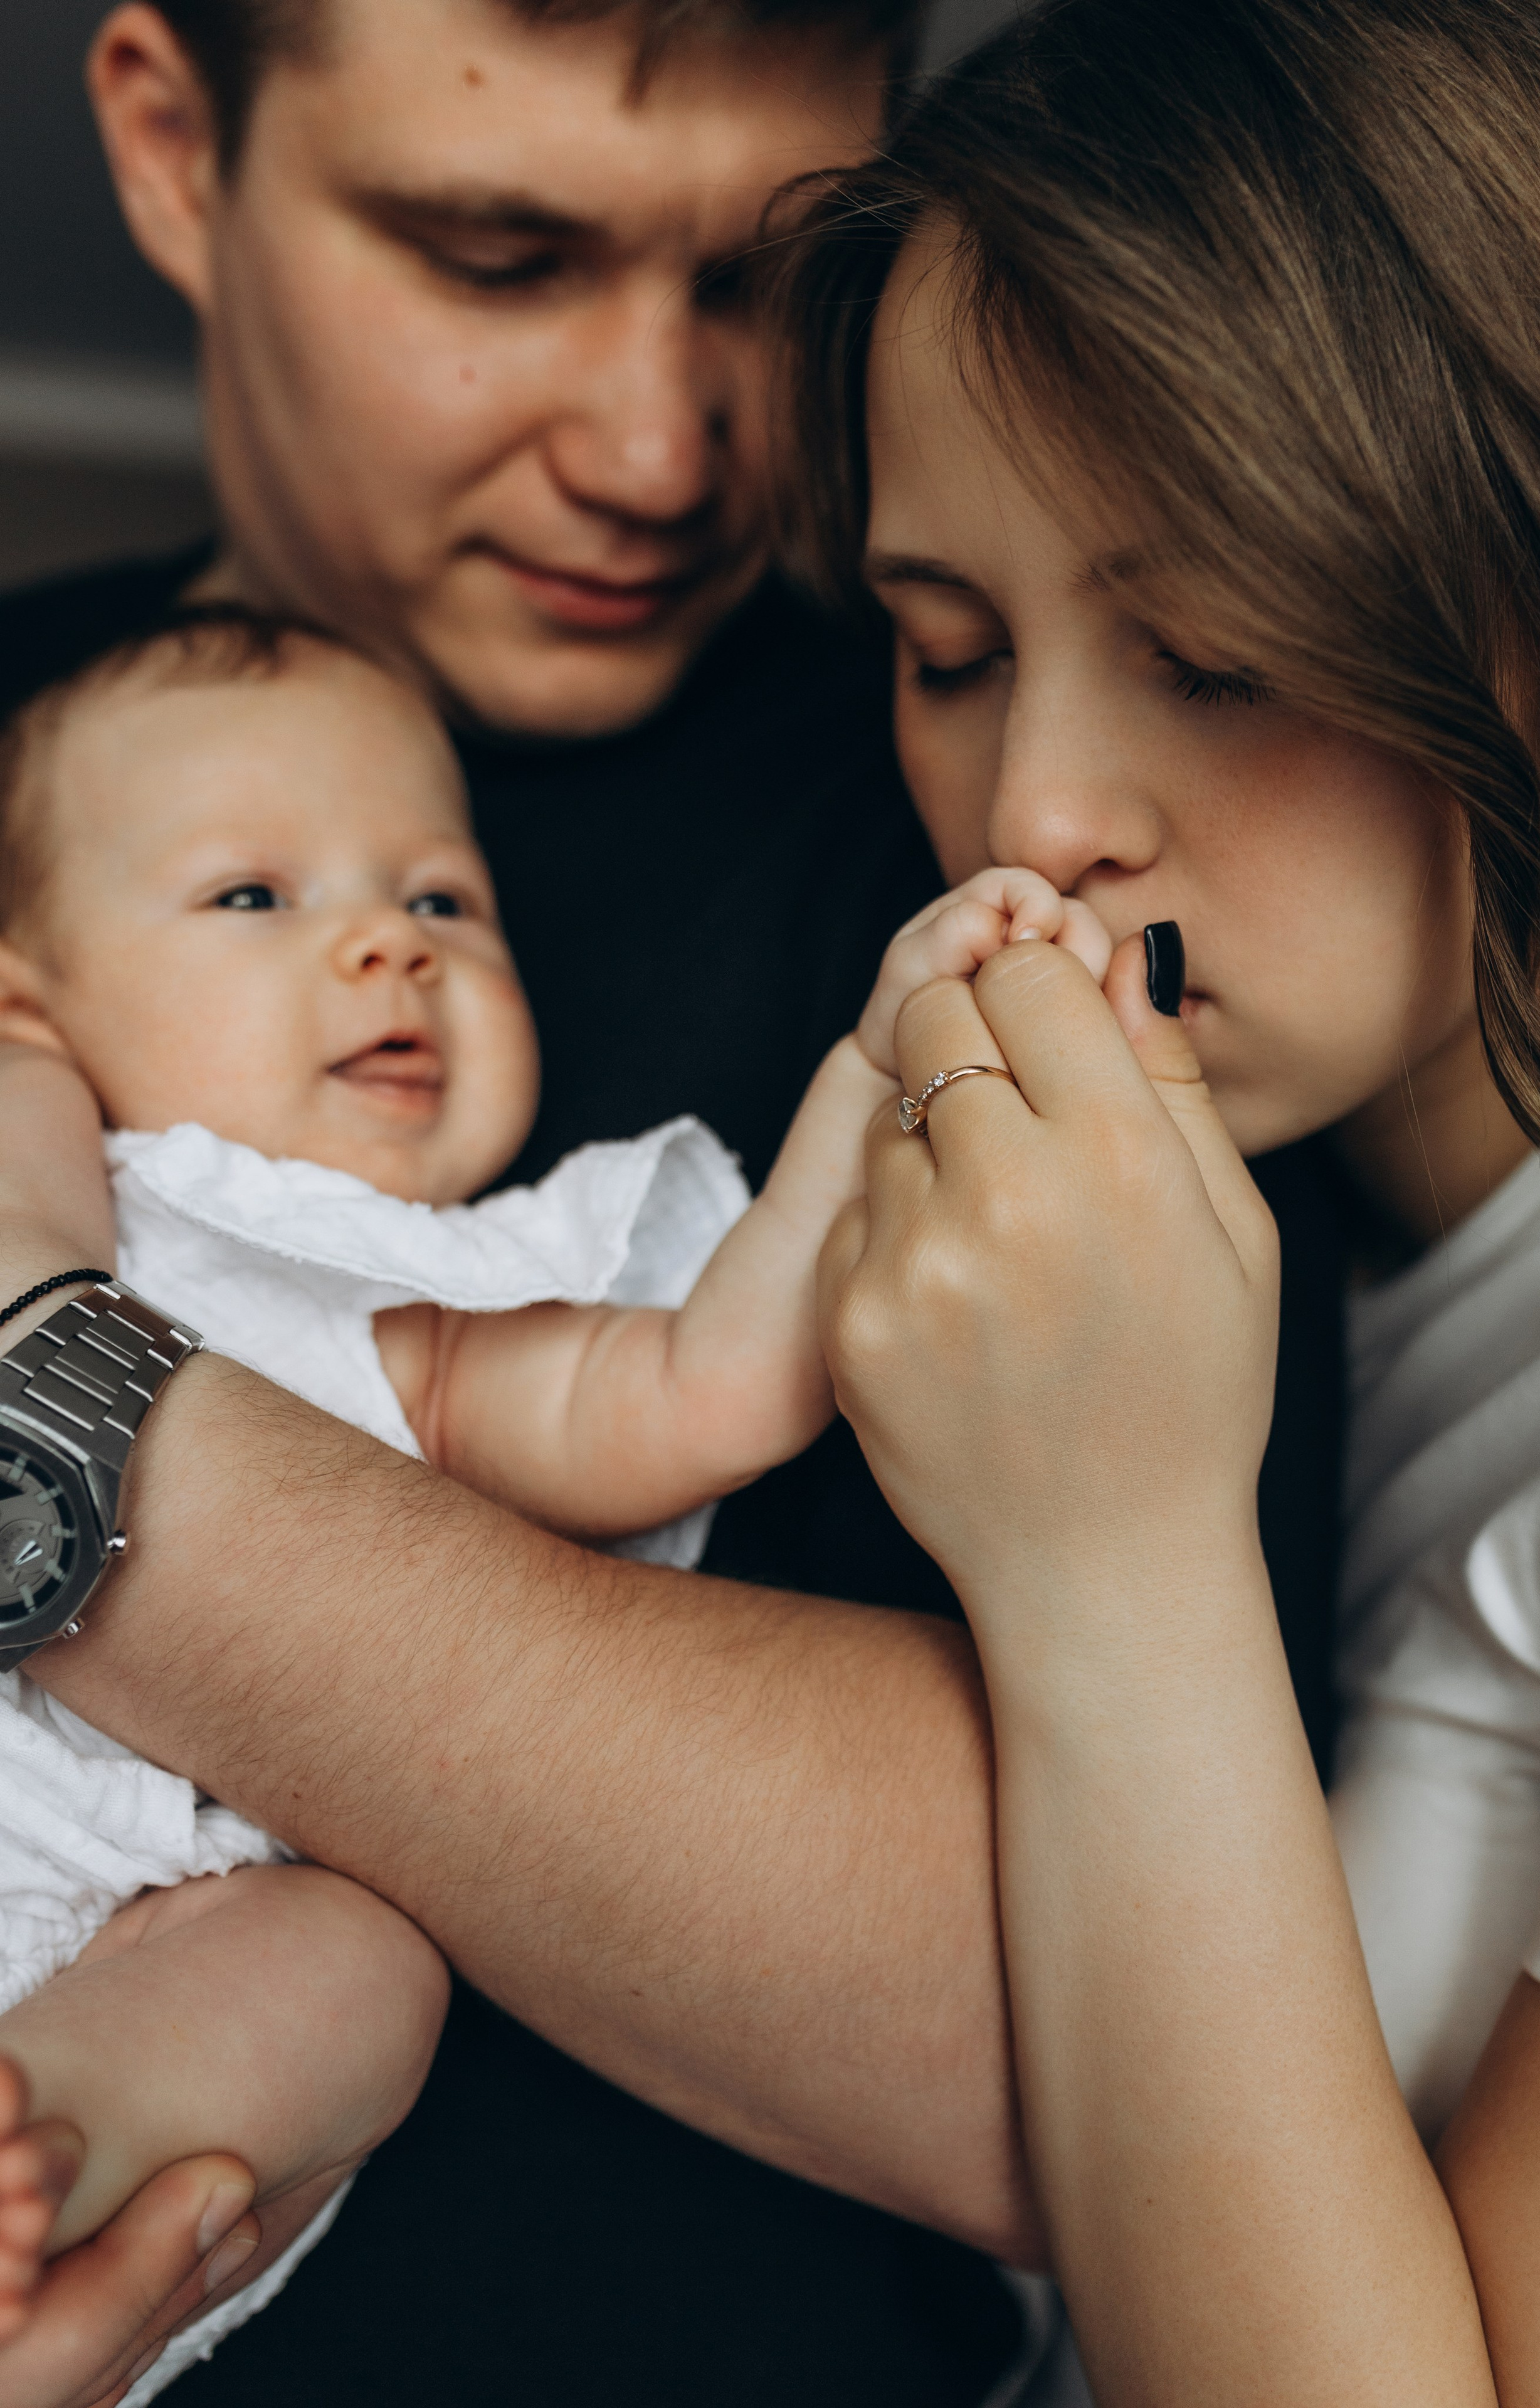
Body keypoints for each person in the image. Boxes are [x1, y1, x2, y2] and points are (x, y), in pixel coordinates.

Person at [0, 0, 1344, 2400]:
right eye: (497, 256)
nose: (662, 452)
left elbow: (1080, 2032)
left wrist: (44, 1377)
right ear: (175, 148)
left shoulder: (1023, 829)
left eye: (752, 283)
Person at [0, 605, 1113, 2395]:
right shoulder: (91, 1177)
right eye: (253, 896)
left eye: (443, 899)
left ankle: (51, 2145)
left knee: (356, 1973)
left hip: (127, 1934)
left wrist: (877, 1070)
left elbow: (706, 1389)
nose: (389, 944)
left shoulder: (442, 1306)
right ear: (25, 1000)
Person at [783, 0, 1540, 2398]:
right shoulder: (1261, 1242)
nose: (1036, 810)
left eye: (1213, 657)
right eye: (949, 652)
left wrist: (1110, 1564)